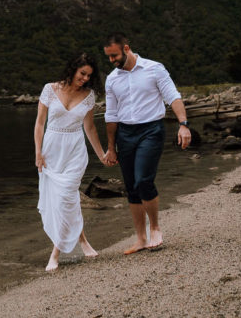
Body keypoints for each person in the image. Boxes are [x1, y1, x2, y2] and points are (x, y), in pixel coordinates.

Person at [102, 33, 191, 254]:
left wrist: (183, 124)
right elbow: (111, 115)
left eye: (114, 55)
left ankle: (156, 229)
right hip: (125, 133)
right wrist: (111, 147)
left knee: (143, 180)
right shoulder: (112, 79)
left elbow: (173, 96)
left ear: (126, 48)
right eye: (108, 57)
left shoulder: (154, 68)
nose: (112, 61)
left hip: (151, 130)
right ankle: (140, 238)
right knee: (131, 187)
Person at [35, 52, 108, 272]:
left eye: (89, 76)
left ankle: (55, 254)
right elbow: (39, 124)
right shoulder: (50, 89)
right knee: (62, 201)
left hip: (75, 151)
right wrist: (38, 153)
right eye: (82, 73)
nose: (85, 78)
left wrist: (102, 155)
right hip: (51, 152)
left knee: (66, 196)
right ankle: (83, 241)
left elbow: (90, 128)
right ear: (73, 69)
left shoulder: (88, 96)